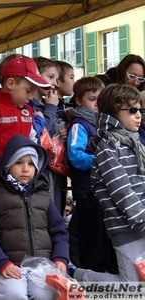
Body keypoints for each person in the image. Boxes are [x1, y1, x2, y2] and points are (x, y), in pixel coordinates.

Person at [0, 55, 51, 296]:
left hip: (23, 180)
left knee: (16, 227)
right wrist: (1, 167)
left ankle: (23, 271)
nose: (31, 96)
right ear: (10, 84)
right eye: (28, 90)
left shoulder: (28, 110)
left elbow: (30, 141)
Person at [0, 134, 69, 299]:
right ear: (7, 164)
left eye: (31, 164)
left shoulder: (44, 196)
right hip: (10, 265)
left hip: (42, 266)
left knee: (44, 295)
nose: (25, 169)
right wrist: (1, 264)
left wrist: (60, 259)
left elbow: (60, 232)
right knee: (14, 295)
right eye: (19, 162)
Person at [71, 84, 145, 283]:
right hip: (126, 226)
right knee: (131, 286)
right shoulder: (107, 147)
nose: (138, 115)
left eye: (140, 110)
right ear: (113, 112)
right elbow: (119, 188)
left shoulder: (134, 142)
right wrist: (140, 217)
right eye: (132, 110)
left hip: (141, 222)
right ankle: (78, 276)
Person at [66, 76, 118, 273]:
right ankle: (92, 269)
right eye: (92, 98)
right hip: (88, 188)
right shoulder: (80, 124)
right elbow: (76, 155)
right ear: (79, 100)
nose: (97, 104)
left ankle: (105, 266)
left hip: (103, 187)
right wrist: (102, 160)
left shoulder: (101, 123)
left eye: (99, 99)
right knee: (92, 230)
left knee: (104, 229)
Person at [32, 56, 69, 216]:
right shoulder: (33, 106)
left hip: (54, 170)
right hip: (41, 172)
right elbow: (41, 133)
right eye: (51, 77)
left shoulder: (45, 103)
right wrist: (52, 107)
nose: (55, 83)